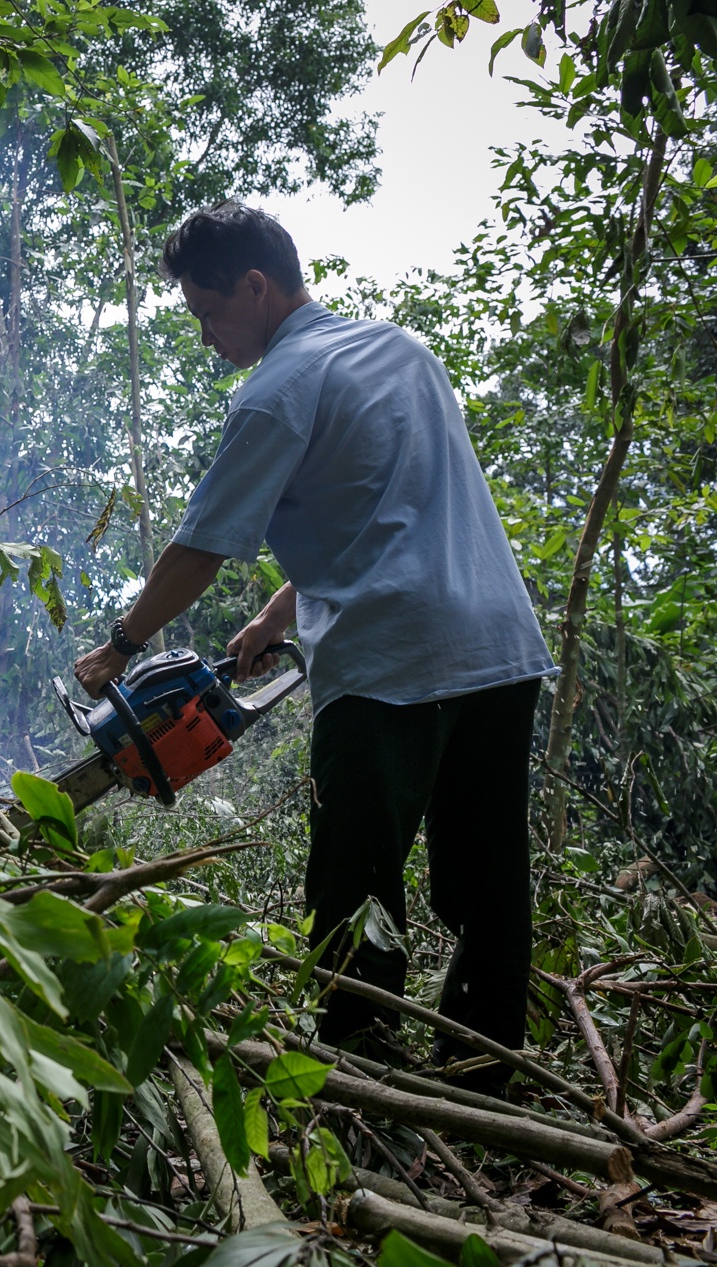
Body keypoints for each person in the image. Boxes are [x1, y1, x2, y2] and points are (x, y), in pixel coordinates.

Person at [72, 201, 555, 1089]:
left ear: (255, 287)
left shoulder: (275, 390)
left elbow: (203, 545)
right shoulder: (400, 353)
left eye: (209, 311)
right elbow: (391, 512)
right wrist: (276, 617)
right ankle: (486, 1069)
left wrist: (120, 645)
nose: (207, 334)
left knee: (351, 878)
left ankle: (358, 1068)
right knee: (486, 876)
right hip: (496, 649)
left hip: (392, 663)